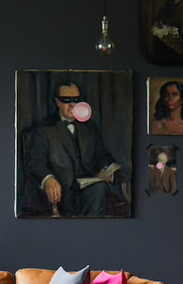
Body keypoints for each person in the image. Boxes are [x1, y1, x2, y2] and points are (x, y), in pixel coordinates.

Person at [24, 81, 129, 217]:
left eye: (76, 100)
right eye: (66, 100)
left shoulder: (89, 129)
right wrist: (48, 179)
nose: (72, 105)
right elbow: (34, 162)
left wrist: (106, 168)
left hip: (88, 189)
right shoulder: (44, 130)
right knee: (99, 192)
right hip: (61, 195)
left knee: (100, 190)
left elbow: (102, 155)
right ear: (57, 102)